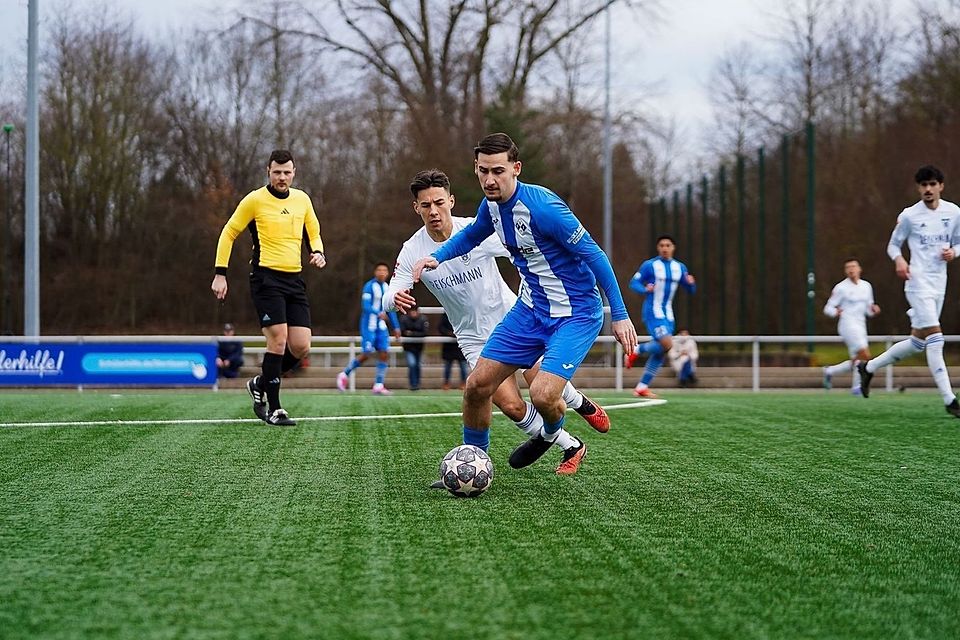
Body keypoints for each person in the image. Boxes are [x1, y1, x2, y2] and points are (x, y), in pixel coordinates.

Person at [410, 135, 637, 473]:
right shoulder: (490, 207)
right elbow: (472, 236)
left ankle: (549, 435)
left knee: (544, 395)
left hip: (575, 315)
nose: (490, 179)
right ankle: (474, 463)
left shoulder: (544, 208)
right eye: (483, 171)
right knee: (476, 386)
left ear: (516, 169)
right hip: (530, 311)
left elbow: (595, 255)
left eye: (498, 171)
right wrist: (437, 257)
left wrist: (619, 314)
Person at [211, 149, 326, 427]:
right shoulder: (254, 200)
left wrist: (318, 251)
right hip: (266, 279)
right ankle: (275, 408)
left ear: (294, 172)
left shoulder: (302, 199)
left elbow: (313, 230)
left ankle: (260, 382)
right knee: (278, 340)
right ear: (268, 171)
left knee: (301, 346)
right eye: (277, 172)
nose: (282, 177)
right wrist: (220, 274)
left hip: (294, 279)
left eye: (287, 172)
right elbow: (229, 232)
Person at [857, 165, 960, 417]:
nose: (927, 189)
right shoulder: (909, 215)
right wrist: (900, 260)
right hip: (917, 282)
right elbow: (893, 246)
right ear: (918, 188)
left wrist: (954, 252)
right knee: (936, 339)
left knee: (917, 343)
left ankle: (868, 368)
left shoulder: (954, 212)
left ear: (940, 186)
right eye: (923, 185)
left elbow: (958, 241)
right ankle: (950, 400)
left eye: (932, 184)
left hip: (939, 283)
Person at [625, 235, 696, 398]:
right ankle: (635, 349)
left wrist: (692, 283)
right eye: (662, 245)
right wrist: (645, 289)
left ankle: (642, 387)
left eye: (668, 245)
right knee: (667, 343)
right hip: (652, 311)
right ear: (658, 248)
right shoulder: (650, 265)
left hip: (668, 314)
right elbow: (633, 283)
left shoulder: (680, 267)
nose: (665, 248)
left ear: (673, 248)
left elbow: (690, 290)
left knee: (662, 350)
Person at [336, 263, 401, 394]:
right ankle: (344, 374)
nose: (382, 272)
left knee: (384, 353)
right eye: (379, 270)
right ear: (375, 272)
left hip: (381, 328)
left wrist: (396, 327)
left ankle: (378, 384)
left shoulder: (388, 288)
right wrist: (378, 313)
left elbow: (391, 310)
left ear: (388, 273)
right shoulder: (369, 286)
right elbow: (365, 305)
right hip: (369, 326)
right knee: (367, 352)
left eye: (384, 270)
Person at [821, 258, 880, 395]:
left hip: (861, 325)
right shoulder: (841, 287)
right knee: (865, 356)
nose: (851, 269)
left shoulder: (866, 286)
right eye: (848, 267)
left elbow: (868, 310)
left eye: (853, 266)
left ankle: (830, 371)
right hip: (847, 325)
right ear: (845, 271)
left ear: (859, 269)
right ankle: (858, 387)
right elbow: (828, 308)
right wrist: (835, 312)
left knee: (858, 360)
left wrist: (873, 310)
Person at [399, 304, 428, 391]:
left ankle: (417, 384)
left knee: (418, 365)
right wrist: (416, 333)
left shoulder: (423, 319)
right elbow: (403, 331)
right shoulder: (404, 319)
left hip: (419, 347)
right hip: (408, 347)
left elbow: (424, 333)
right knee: (412, 364)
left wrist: (411, 333)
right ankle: (413, 384)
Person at [438, 313, 468, 391]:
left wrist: (458, 334)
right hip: (448, 346)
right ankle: (446, 383)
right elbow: (441, 327)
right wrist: (449, 333)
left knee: (463, 366)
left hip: (461, 345)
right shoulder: (445, 315)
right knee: (447, 366)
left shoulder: (463, 314)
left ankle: (464, 383)